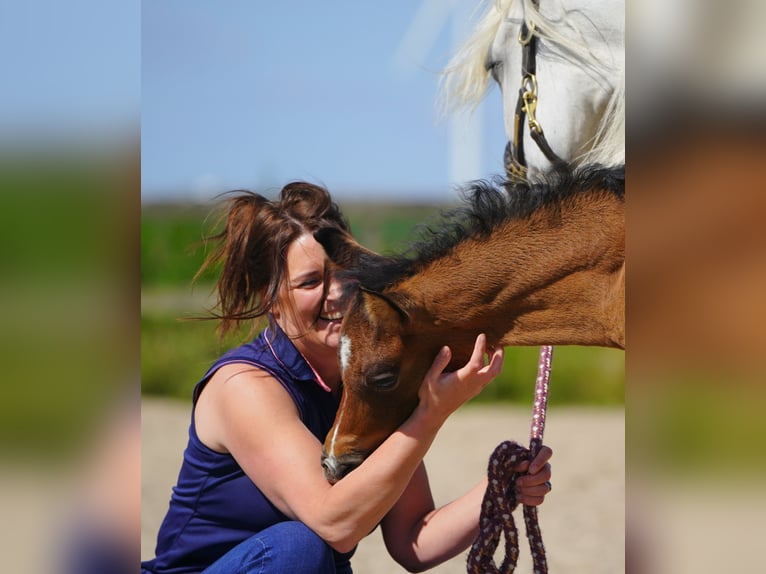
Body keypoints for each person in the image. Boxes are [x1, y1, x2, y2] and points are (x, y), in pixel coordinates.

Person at [142, 182, 553, 574]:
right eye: (310, 282)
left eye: (344, 273)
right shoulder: (245, 387)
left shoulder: (364, 385)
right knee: (299, 545)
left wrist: (500, 489)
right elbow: (334, 523)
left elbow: (414, 540)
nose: (337, 293)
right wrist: (429, 415)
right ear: (270, 297)